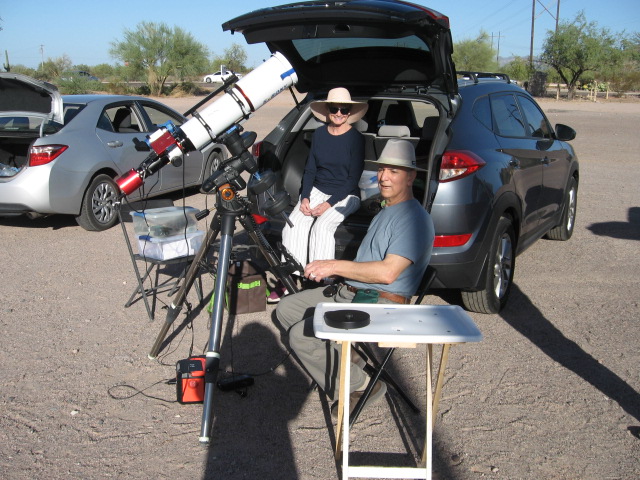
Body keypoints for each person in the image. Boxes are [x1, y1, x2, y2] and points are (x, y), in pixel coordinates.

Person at [275, 138, 435, 415]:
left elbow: (387, 274)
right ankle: (349, 362)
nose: (384, 177)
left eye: (394, 171)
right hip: (351, 291)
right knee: (287, 309)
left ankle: (361, 385)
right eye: (382, 169)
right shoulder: (387, 209)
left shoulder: (413, 218)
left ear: (410, 177)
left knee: (300, 337)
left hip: (380, 301)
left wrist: (334, 266)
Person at [268, 88, 368, 303]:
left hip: (346, 195)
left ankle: (323, 281)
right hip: (317, 190)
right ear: (328, 110)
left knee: (322, 226)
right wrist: (305, 197)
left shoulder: (356, 139)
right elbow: (310, 169)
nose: (339, 113)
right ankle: (290, 278)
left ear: (350, 111)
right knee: (295, 224)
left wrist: (327, 205)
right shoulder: (319, 135)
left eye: (344, 109)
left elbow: (352, 179)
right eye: (335, 108)